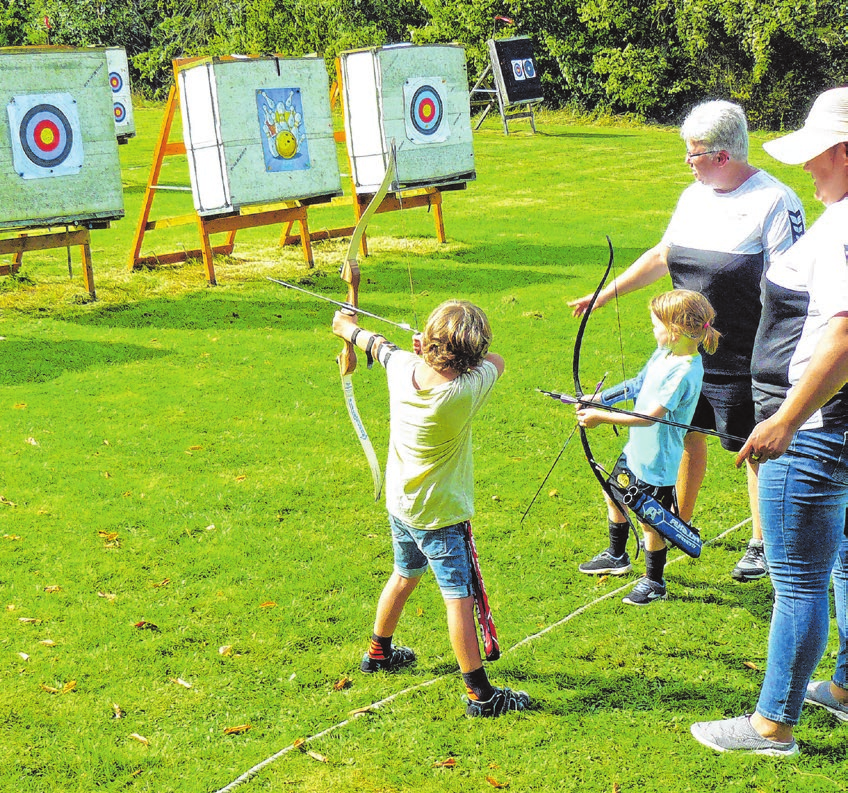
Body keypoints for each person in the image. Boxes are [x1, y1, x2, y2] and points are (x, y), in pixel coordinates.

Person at [568, 100, 805, 582]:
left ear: (722, 155)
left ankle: (760, 544)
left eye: (692, 154)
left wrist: (781, 354)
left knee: (751, 446)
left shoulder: (775, 202)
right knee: (685, 434)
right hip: (686, 349)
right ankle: (679, 524)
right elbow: (664, 255)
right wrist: (606, 295)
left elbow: (794, 284)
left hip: (747, 353)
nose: (687, 163)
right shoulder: (693, 197)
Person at [690, 86, 848, 755]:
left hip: (814, 430)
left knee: (799, 581)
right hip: (829, 423)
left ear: (843, 152)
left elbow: (842, 337)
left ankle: (773, 724)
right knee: (839, 561)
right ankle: (842, 688)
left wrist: (786, 419)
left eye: (816, 155)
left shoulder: (843, 228)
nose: (806, 167)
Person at [331, 300, 530, 718]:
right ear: (470, 354)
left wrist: (347, 328)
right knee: (459, 597)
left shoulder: (403, 366)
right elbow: (498, 359)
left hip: (401, 504)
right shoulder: (463, 390)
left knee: (405, 574)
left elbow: (377, 344)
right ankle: (481, 695)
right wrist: (433, 350)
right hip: (440, 514)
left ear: (429, 343)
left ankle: (378, 652)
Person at [576, 290, 720, 605]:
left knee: (650, 521)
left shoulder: (684, 372)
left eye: (656, 325)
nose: (652, 331)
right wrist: (598, 399)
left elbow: (648, 417)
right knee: (612, 493)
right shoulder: (664, 354)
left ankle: (654, 582)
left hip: (657, 462)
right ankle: (617, 556)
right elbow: (636, 384)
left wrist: (601, 417)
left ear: (676, 329)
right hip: (636, 451)